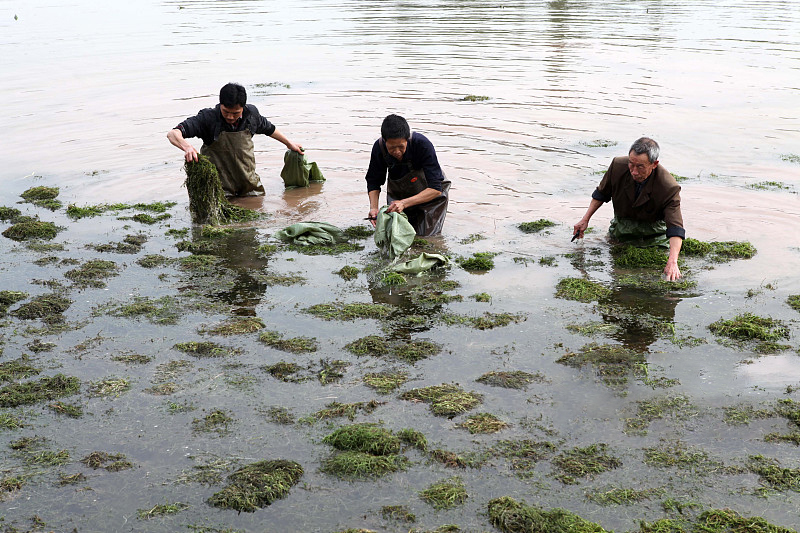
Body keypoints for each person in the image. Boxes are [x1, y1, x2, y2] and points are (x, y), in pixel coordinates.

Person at [573, 137, 685, 281]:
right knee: (616, 273)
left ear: (654, 164)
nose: (634, 171)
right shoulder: (618, 166)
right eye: (631, 164)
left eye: (640, 167)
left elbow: (675, 227)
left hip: (652, 236)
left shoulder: (668, 187)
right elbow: (601, 194)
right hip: (620, 229)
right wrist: (585, 219)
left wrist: (673, 261)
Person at [167, 82, 303, 197]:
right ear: (220, 105)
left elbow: (269, 129)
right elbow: (173, 134)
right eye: (226, 112)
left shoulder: (251, 115)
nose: (230, 117)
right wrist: (187, 147)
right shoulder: (208, 118)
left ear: (243, 107)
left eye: (236, 113)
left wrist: (289, 144)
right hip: (219, 192)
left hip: (251, 189)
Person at [365, 114, 451, 236]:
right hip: (399, 198)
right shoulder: (379, 148)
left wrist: (404, 203)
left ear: (407, 140)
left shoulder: (422, 144)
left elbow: (436, 189)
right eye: (392, 148)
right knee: (397, 234)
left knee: (427, 238)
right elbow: (373, 181)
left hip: (431, 199)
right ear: (385, 141)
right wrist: (374, 208)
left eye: (401, 146)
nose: (397, 152)